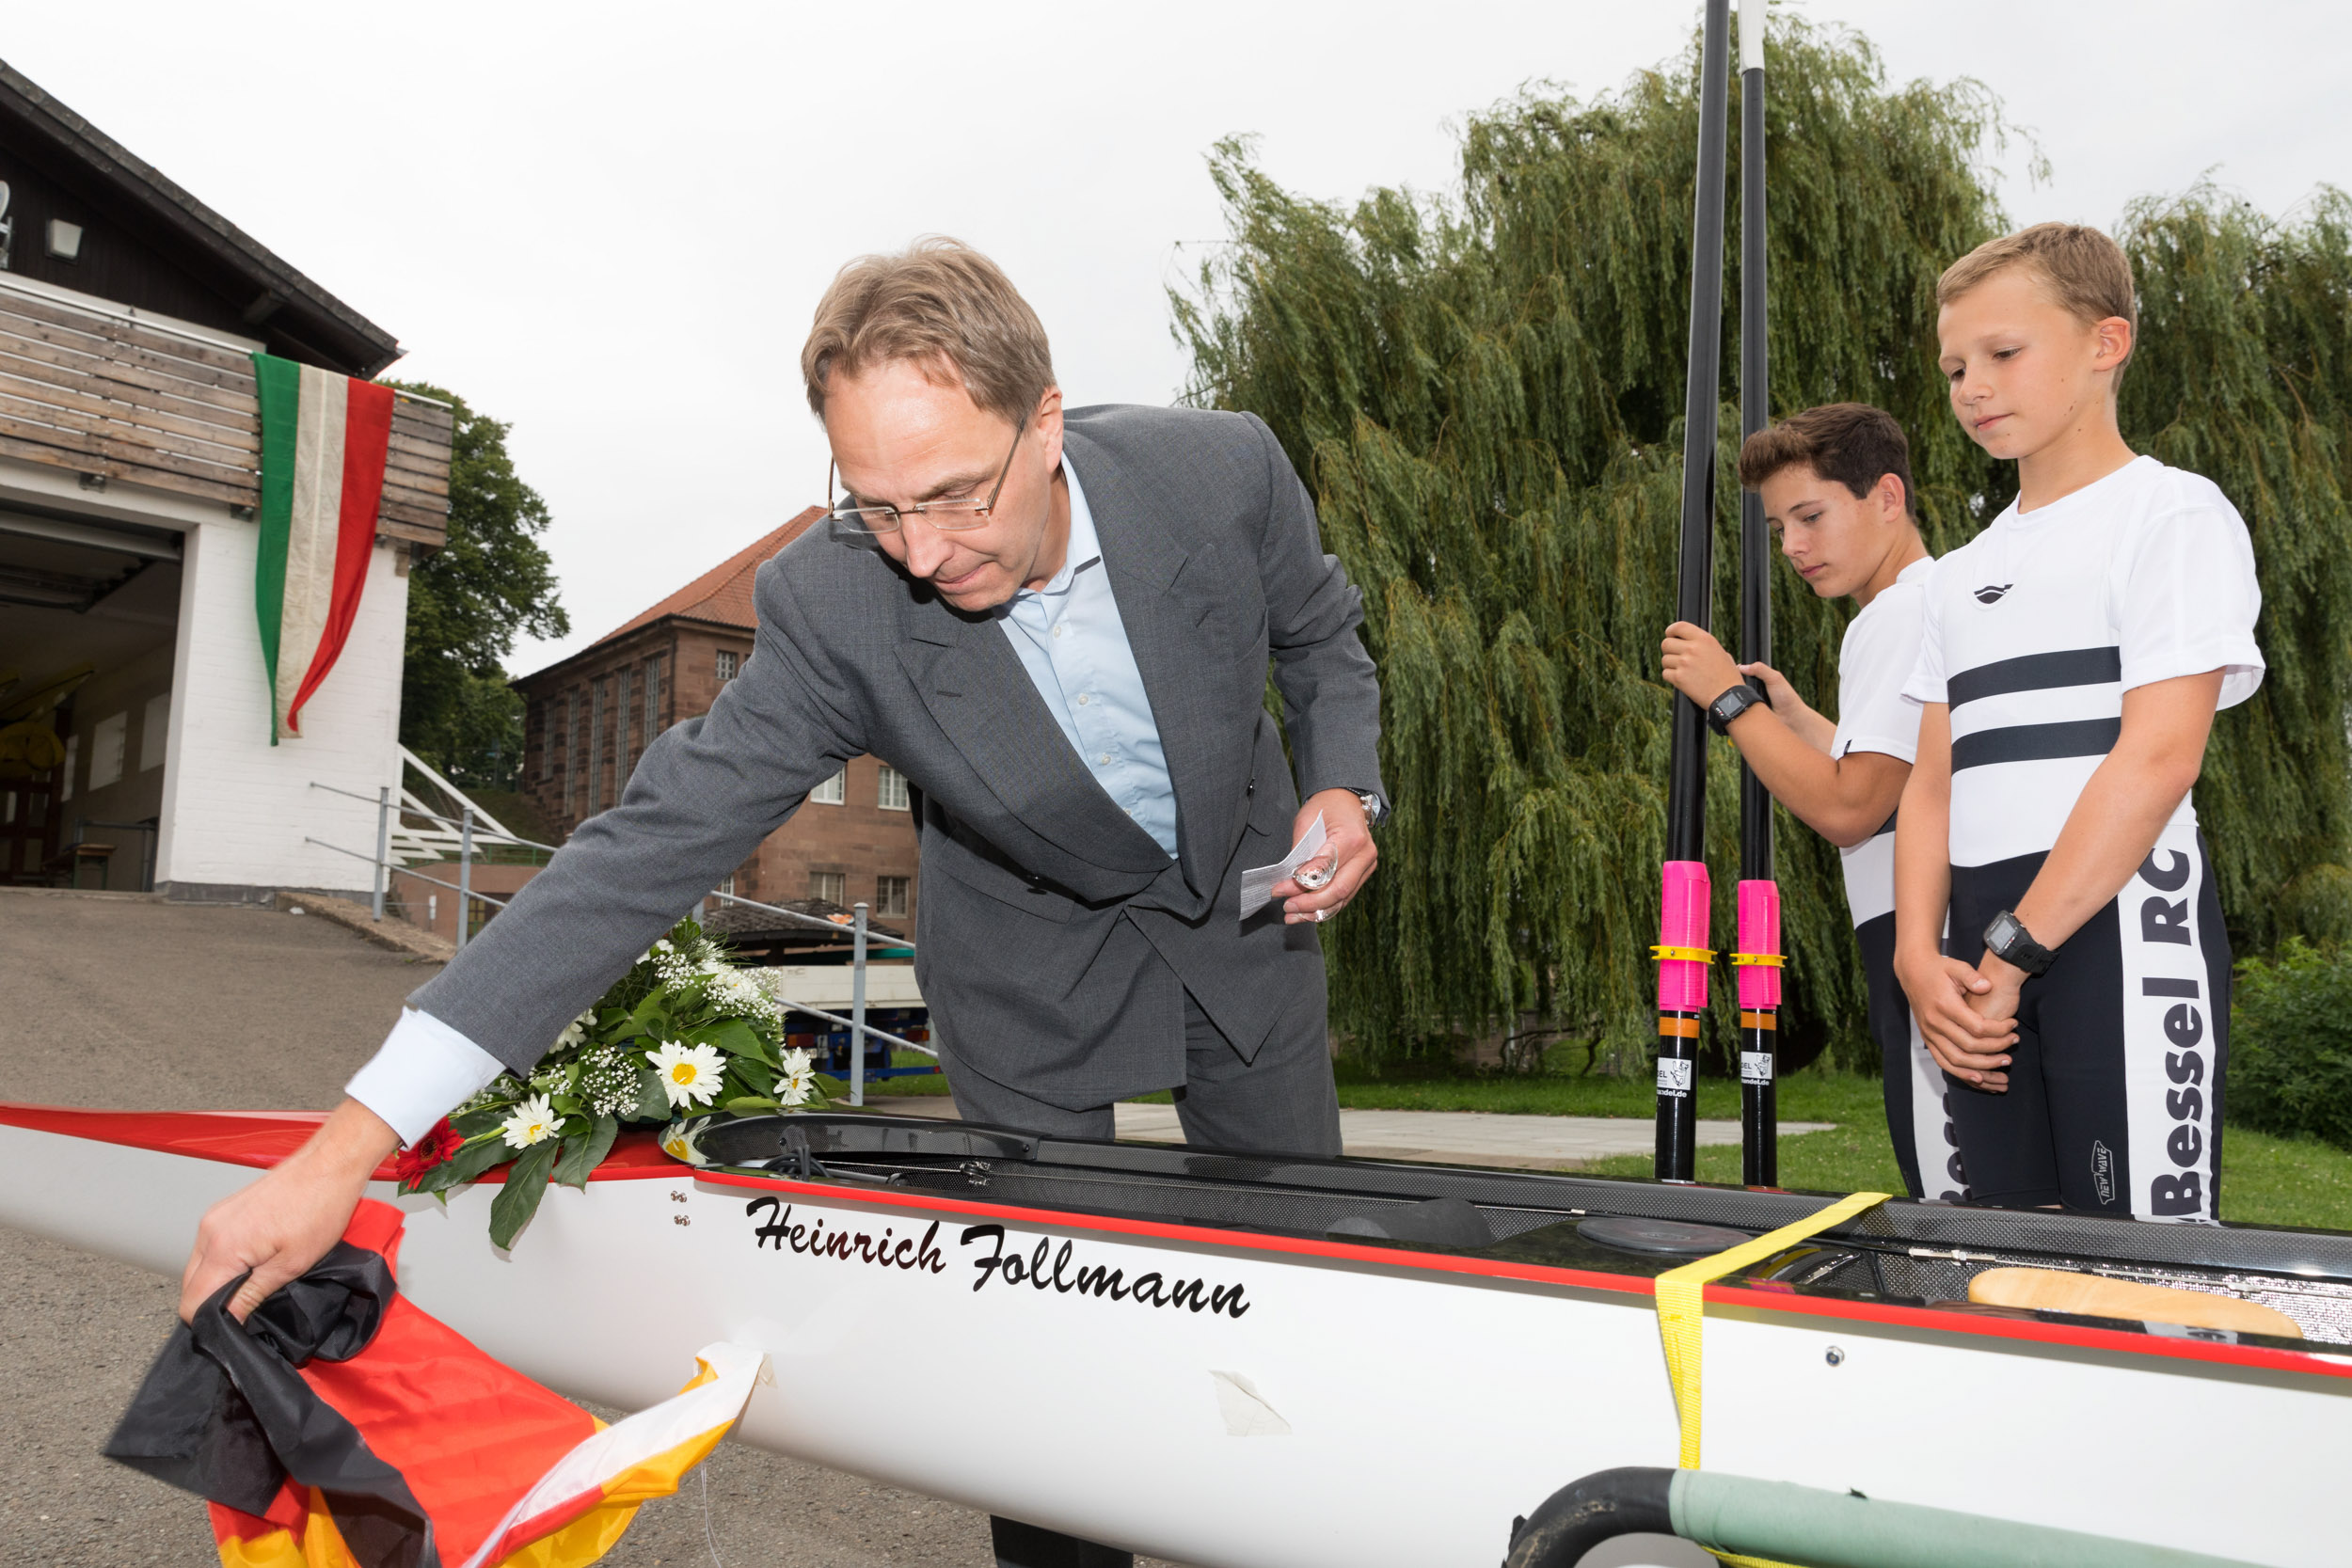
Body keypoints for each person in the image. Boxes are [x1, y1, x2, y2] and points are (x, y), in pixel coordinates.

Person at [181, 239, 1389, 1568]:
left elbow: (1318, 632)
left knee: (1307, 1286)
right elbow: (636, 855)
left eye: (954, 495)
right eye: (873, 502)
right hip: (1029, 976)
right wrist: (345, 1144)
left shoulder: (1216, 469)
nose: (922, 552)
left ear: (1044, 421)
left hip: (1246, 924)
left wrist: (1342, 783)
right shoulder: (839, 601)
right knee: (1039, 1346)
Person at [1894, 222, 2262, 1221]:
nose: (1972, 385)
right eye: (1955, 365)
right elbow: (1931, 780)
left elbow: (2156, 758)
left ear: (2106, 344)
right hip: (1972, 938)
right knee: (1999, 1254)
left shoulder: (2170, 515)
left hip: (2117, 920)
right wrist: (1916, 955)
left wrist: (2017, 948)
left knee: (2136, 1259)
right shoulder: (1954, 575)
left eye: (2003, 354)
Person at [1659, 403, 1952, 1197]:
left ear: (1887, 497)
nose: (1791, 545)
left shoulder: (1898, 614)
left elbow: (1850, 809)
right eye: (1779, 524)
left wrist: (1729, 700)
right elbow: (1895, 778)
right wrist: (1795, 720)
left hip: (1925, 932)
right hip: (1934, 930)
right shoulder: (1933, 600)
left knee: (1954, 1196)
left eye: (1811, 516)